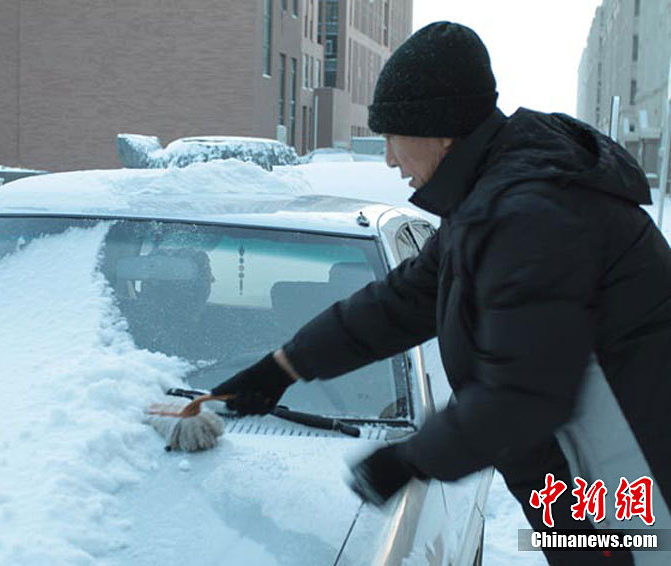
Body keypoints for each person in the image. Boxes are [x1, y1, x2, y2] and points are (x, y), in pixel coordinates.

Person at [211, 21, 671, 566]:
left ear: (440, 131)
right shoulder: (494, 202)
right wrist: (282, 368)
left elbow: (525, 392)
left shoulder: (530, 216)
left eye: (392, 138)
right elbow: (402, 300)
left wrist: (409, 460)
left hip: (633, 490)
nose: (388, 160)